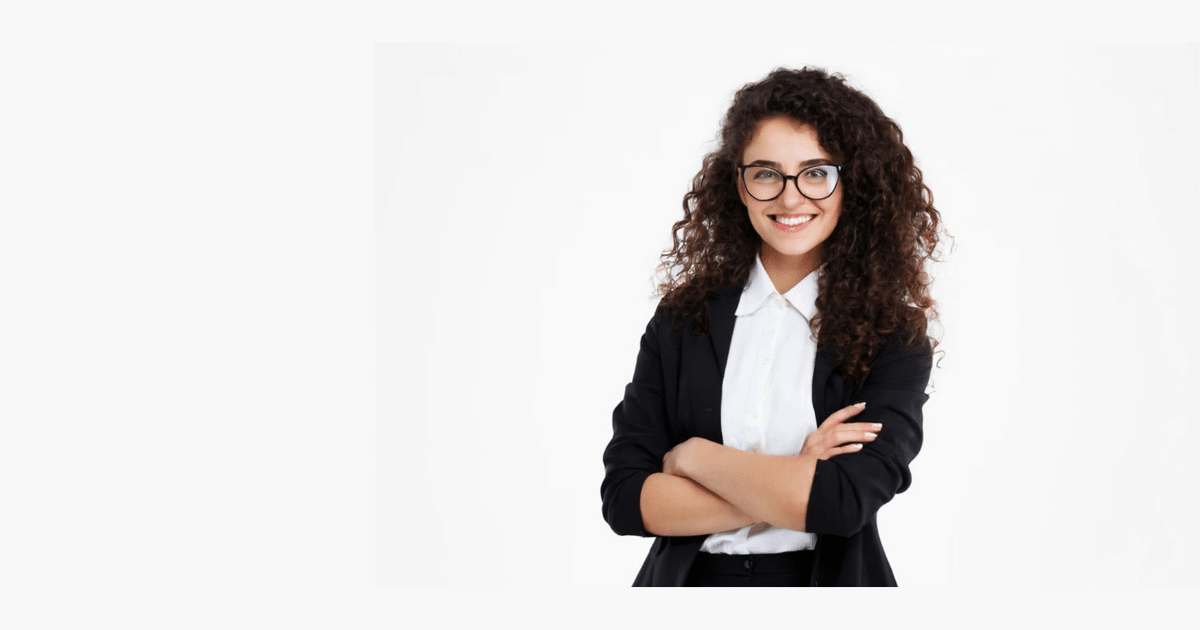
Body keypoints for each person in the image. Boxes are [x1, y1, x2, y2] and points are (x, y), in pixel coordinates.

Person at [600, 67, 943, 587]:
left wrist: (695, 457)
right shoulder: (681, 319)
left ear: (852, 184)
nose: (789, 198)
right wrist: (791, 480)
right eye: (765, 173)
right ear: (738, 184)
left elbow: (843, 502)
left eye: (816, 172)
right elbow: (626, 500)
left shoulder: (893, 334)